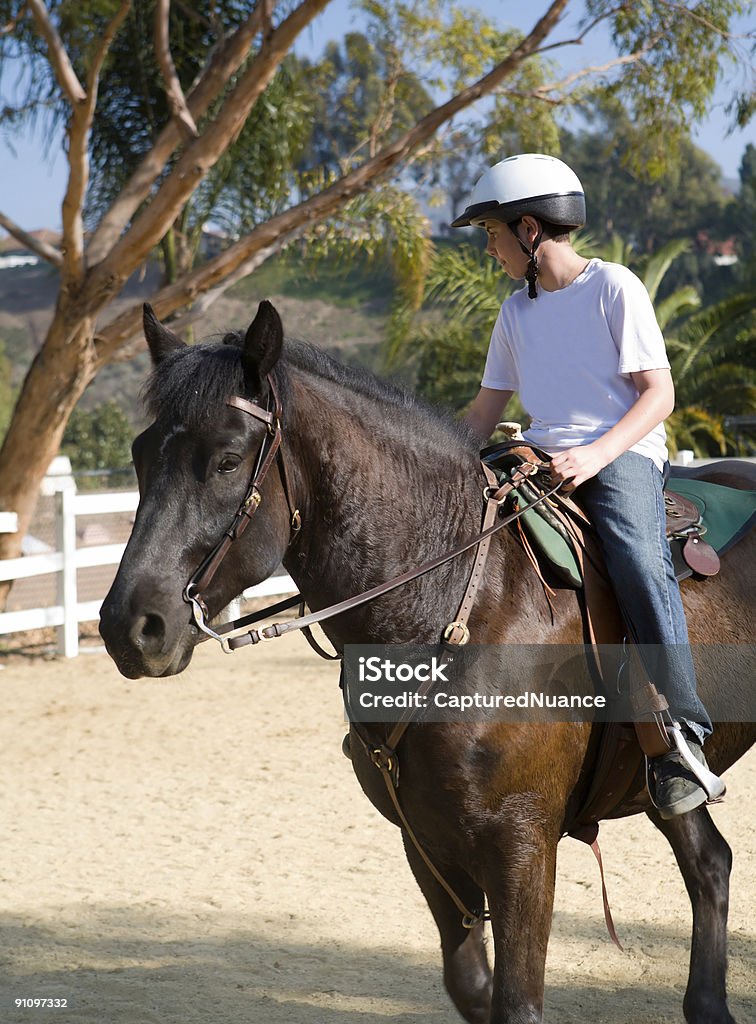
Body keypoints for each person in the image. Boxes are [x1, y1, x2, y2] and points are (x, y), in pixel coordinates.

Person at [453, 153, 724, 819]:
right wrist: (440, 459)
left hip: (619, 454)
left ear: (528, 229)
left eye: (492, 234)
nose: (491, 250)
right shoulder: (515, 313)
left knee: (636, 558)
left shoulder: (615, 288)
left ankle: (683, 734)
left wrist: (595, 455)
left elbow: (658, 396)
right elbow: (484, 411)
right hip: (538, 454)